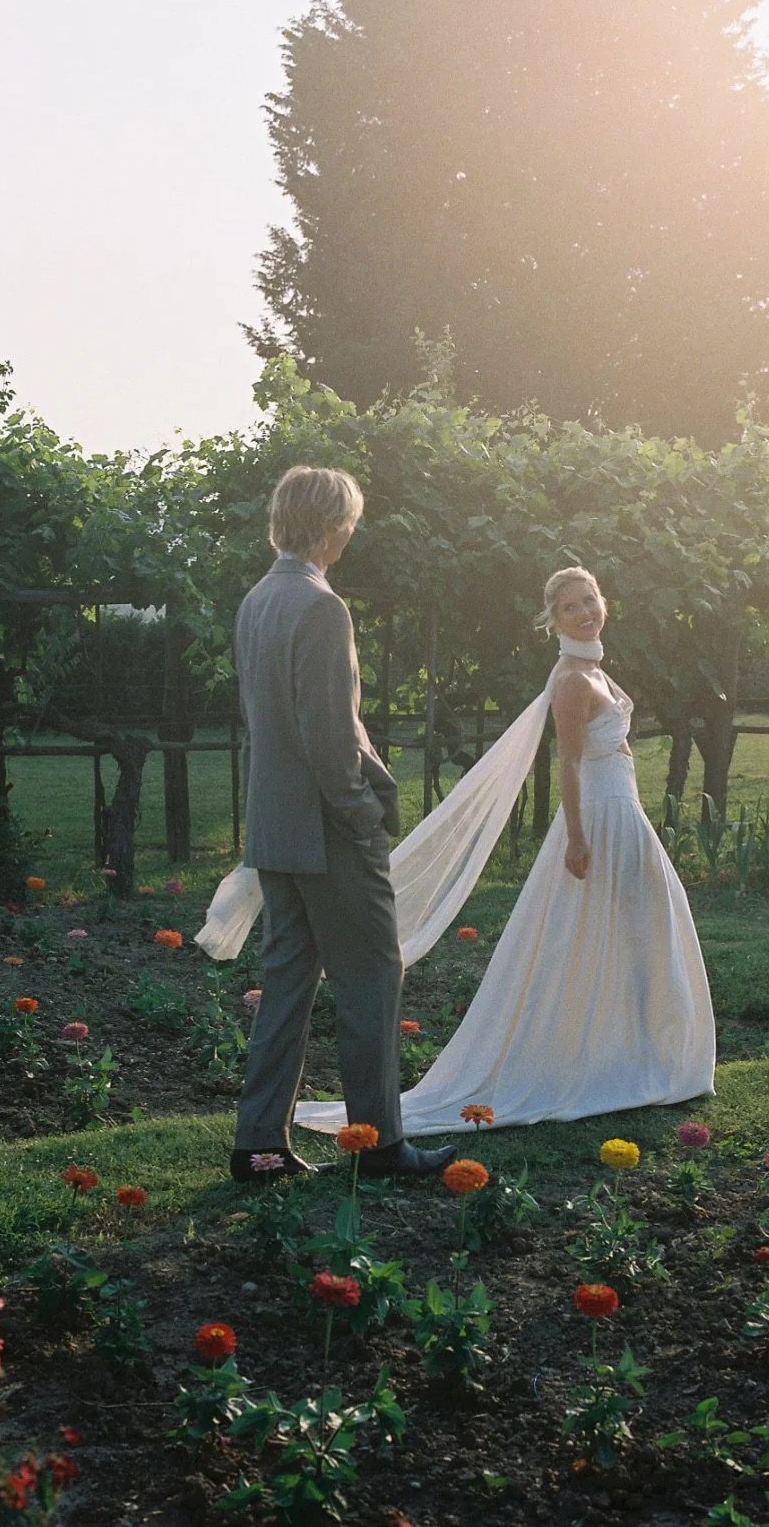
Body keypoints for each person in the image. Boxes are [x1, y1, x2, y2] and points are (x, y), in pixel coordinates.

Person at [292, 565, 715, 1135]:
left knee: (644, 931)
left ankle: (640, 1051)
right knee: (601, 931)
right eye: (570, 606)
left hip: (624, 813)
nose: (585, 610)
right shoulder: (570, 679)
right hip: (600, 818)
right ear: (553, 620)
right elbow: (566, 761)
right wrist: (577, 835)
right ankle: (613, 1058)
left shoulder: (594, 667)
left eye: (590, 599)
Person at [226, 464, 456, 1182]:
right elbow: (328, 735)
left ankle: (258, 1145)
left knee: (288, 983)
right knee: (373, 976)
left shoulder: (258, 598)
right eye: (350, 522)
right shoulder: (321, 606)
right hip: (328, 827)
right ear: (330, 526)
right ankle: (380, 1144)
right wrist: (361, 814)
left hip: (275, 825)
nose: (352, 534)